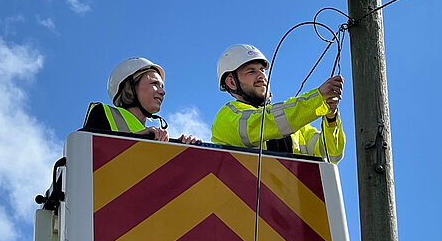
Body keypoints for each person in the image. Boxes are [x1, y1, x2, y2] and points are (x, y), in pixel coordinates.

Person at [211, 44, 345, 163]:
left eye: (262, 70)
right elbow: (266, 122)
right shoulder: (226, 117)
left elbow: (332, 155)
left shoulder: (297, 128)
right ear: (232, 82)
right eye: (251, 71)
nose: (262, 76)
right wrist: (318, 98)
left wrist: (331, 118)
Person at [83, 57, 198, 144]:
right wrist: (138, 138)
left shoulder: (152, 134)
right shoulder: (103, 112)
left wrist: (183, 147)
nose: (162, 92)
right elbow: (86, 152)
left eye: (162, 86)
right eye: (154, 84)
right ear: (129, 88)